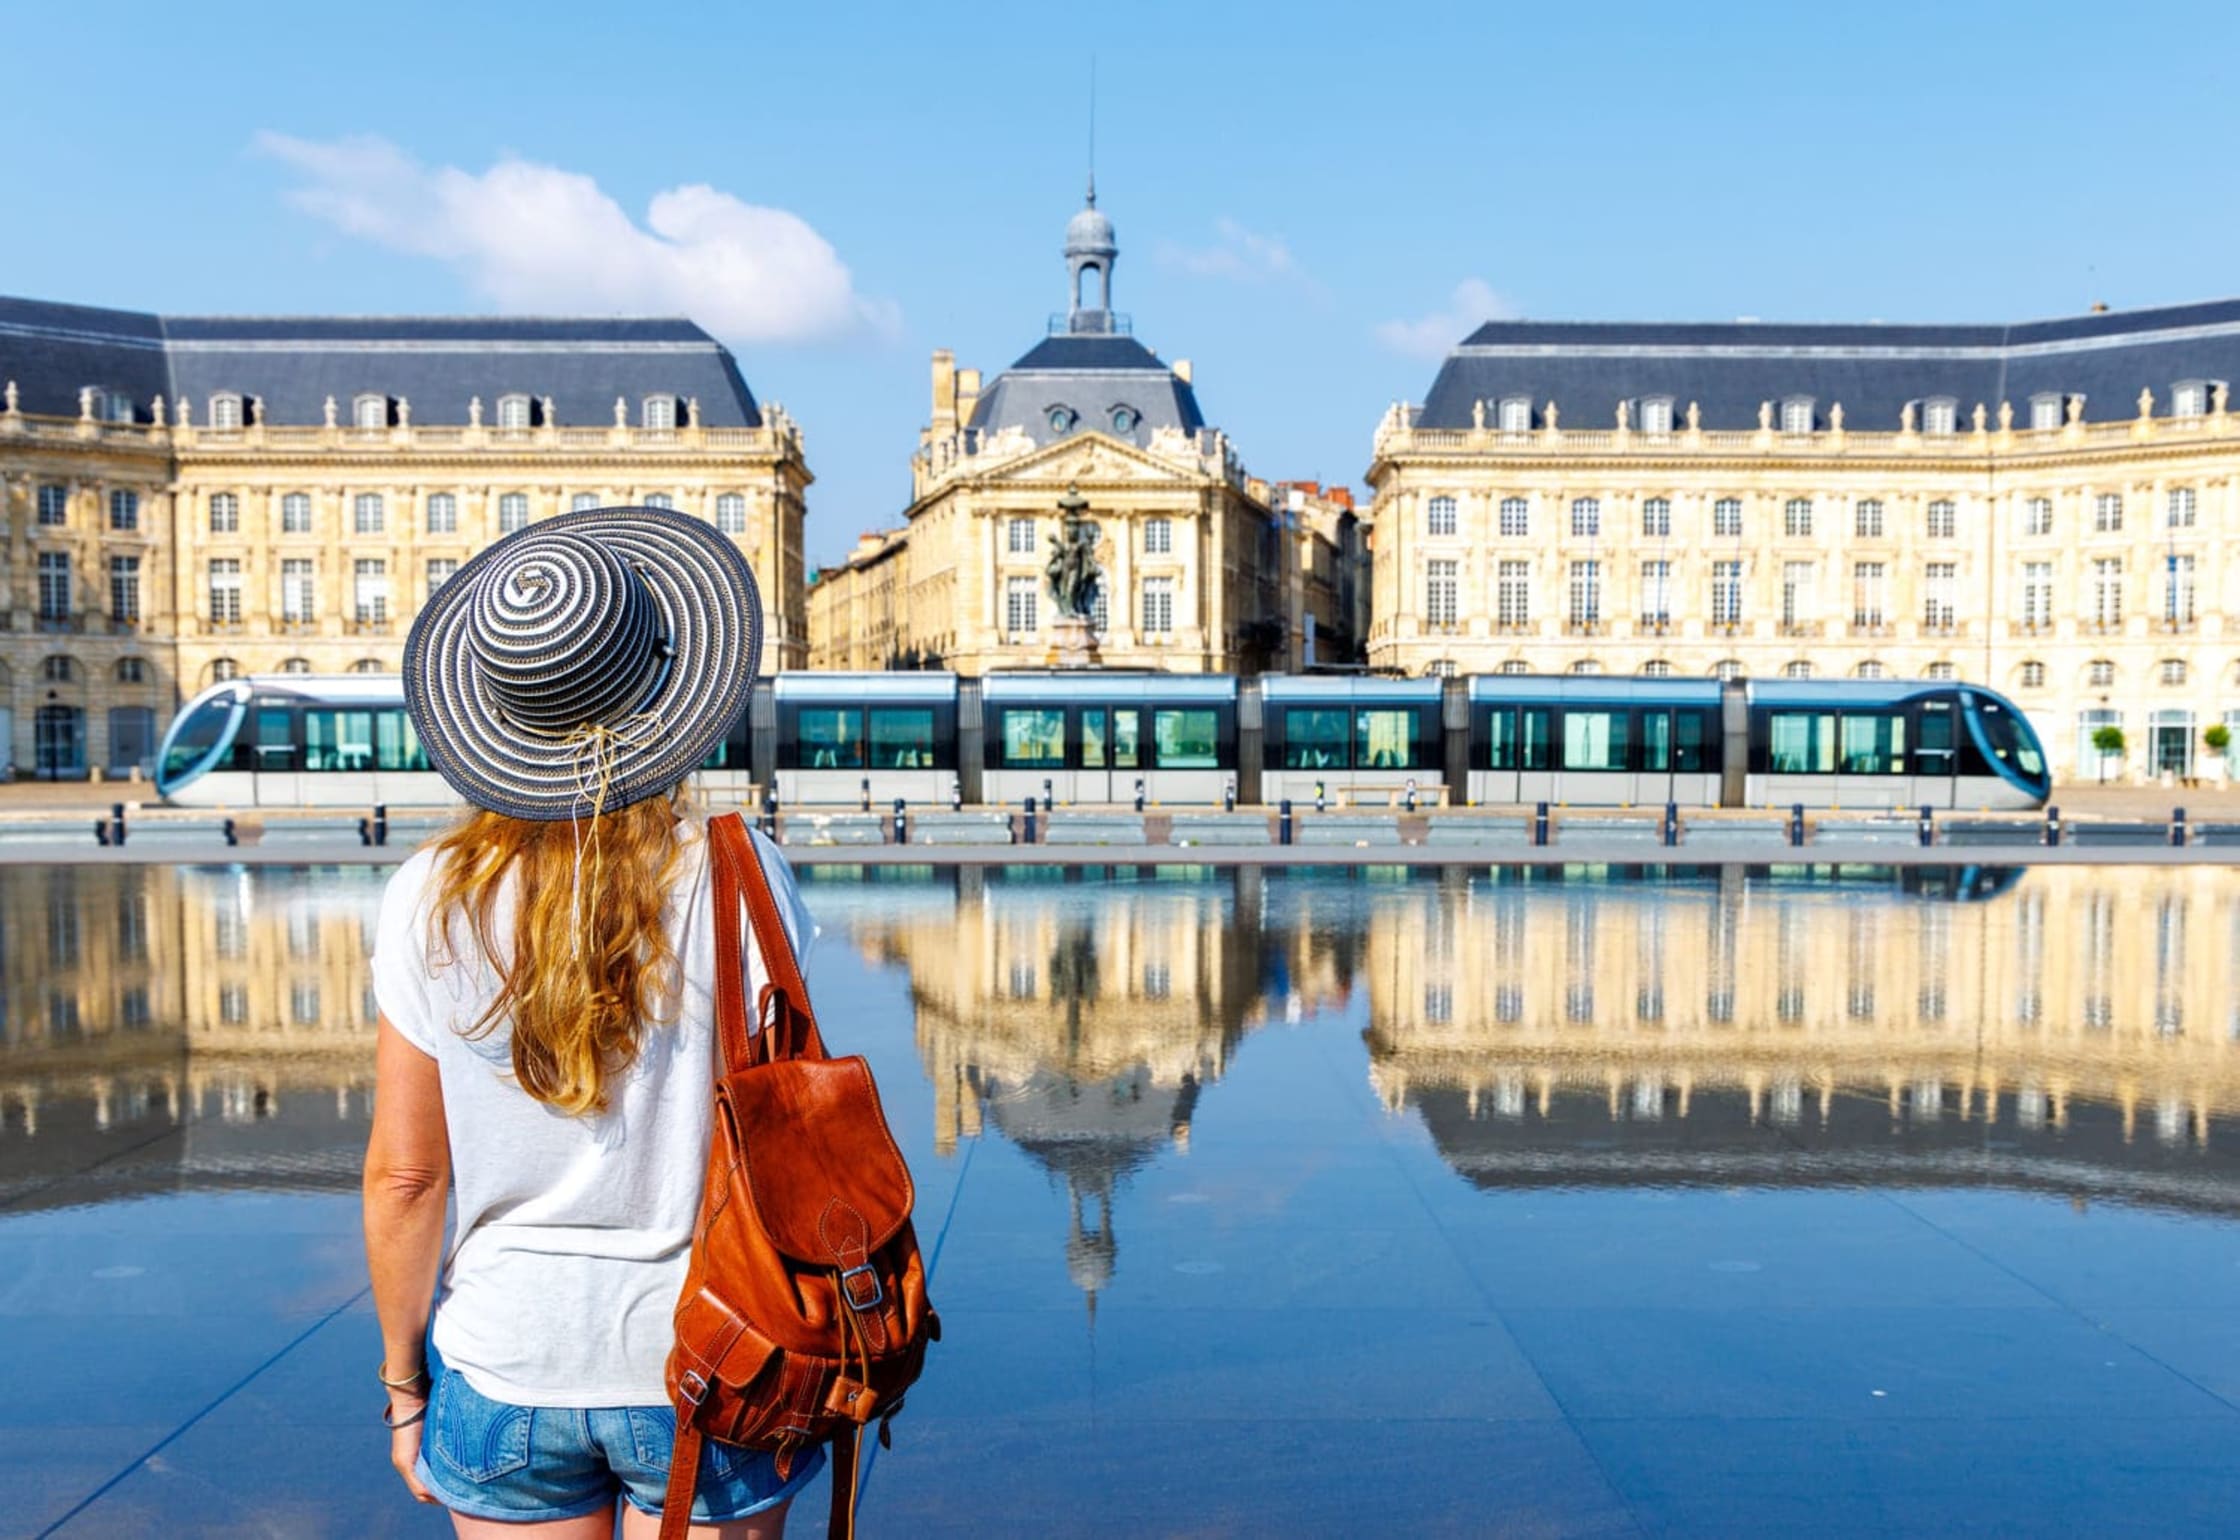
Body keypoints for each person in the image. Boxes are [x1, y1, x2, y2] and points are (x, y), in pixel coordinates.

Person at [361, 507, 822, 1538]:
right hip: (714, 1350)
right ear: (666, 693)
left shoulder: (428, 893)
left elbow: (406, 1175)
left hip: (504, 1358)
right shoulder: (738, 873)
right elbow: (781, 1119)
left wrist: (404, 1383)